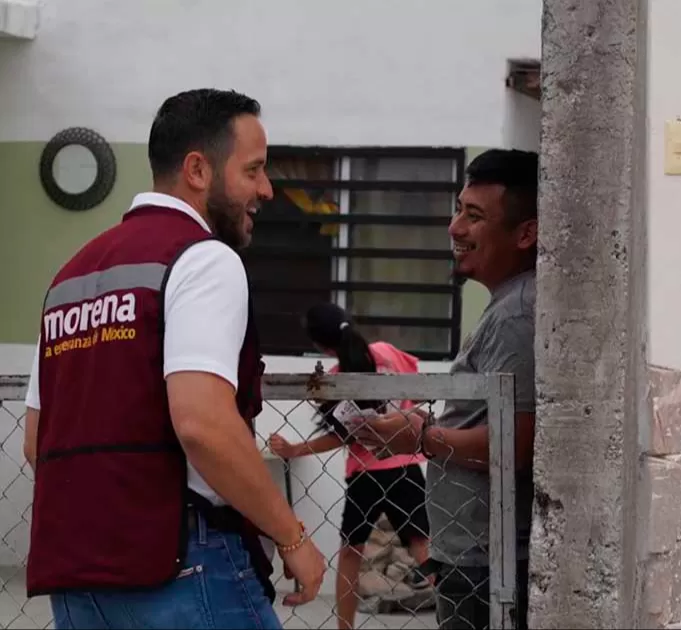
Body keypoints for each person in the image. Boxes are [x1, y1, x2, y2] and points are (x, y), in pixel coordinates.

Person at [21, 88, 326, 629]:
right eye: (253, 170)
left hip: (77, 572)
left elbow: (35, 441)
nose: (266, 188)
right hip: (185, 561)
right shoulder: (203, 260)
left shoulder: (71, 277)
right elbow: (203, 424)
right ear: (197, 170)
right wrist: (292, 536)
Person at [351, 148, 539, 629]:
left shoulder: (518, 314)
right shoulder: (507, 305)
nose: (455, 228)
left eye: (474, 216)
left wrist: (420, 437)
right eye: (459, 209)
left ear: (526, 233)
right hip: (473, 550)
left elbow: (515, 444)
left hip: (488, 560)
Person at [268, 302, 433, 630]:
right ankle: (458, 616)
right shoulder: (387, 352)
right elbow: (414, 397)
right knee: (423, 548)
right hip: (405, 467)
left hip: (365, 476)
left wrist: (294, 448)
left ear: (321, 346)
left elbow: (341, 436)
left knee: (350, 554)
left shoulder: (335, 379)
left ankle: (344, 627)